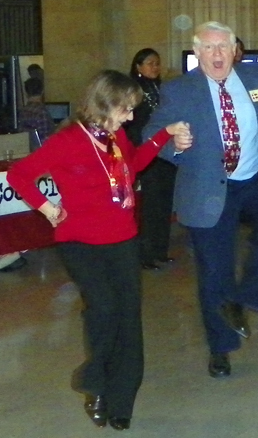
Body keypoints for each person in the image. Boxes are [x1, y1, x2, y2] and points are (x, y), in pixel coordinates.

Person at [7, 70, 192, 430]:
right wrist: (46, 208)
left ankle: (121, 400)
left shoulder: (117, 135)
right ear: (105, 104)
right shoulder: (68, 141)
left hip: (123, 237)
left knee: (128, 318)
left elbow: (134, 164)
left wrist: (163, 136)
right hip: (79, 242)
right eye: (125, 109)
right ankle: (95, 382)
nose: (129, 117)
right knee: (104, 308)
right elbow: (19, 176)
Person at [142, 21, 258, 378]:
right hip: (208, 188)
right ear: (197, 53)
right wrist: (172, 144)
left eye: (223, 46)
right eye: (209, 48)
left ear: (235, 49)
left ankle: (245, 299)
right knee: (215, 273)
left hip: (253, 178)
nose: (217, 54)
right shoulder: (180, 91)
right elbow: (151, 134)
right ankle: (220, 349)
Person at [125, 48, 178, 270]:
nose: (155, 67)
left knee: (165, 203)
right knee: (150, 205)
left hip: (165, 151)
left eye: (157, 63)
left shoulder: (162, 88)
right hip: (145, 151)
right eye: (149, 63)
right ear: (138, 66)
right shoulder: (132, 91)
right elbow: (131, 125)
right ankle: (145, 254)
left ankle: (160, 250)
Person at [18, 77, 55, 146]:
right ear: (42, 91)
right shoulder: (42, 112)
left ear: (26, 93)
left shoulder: (22, 112)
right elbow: (46, 140)